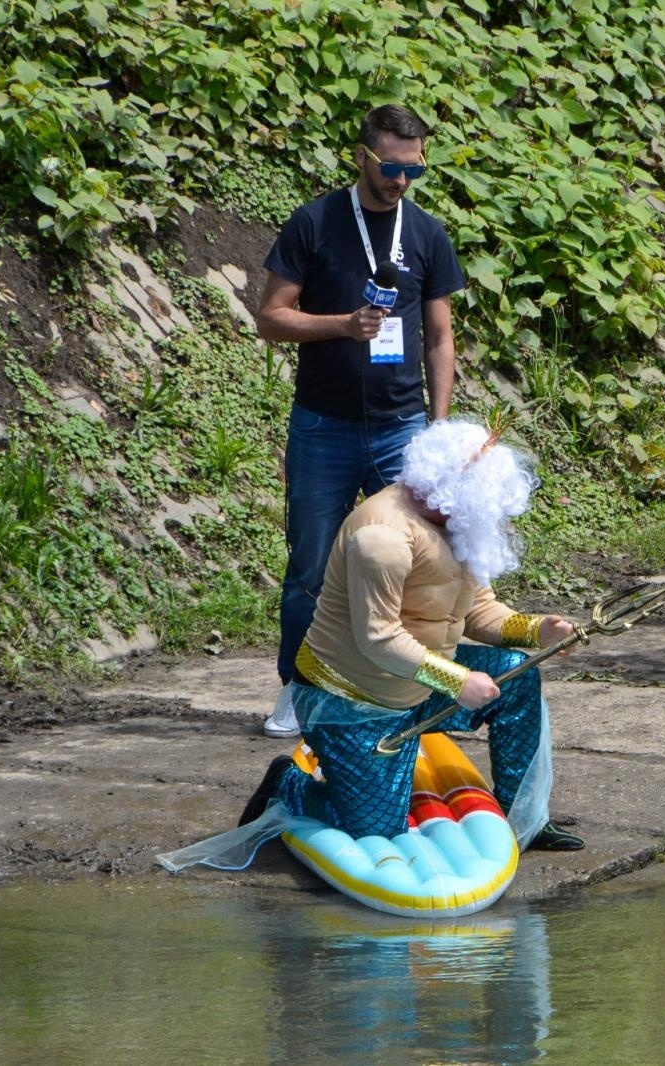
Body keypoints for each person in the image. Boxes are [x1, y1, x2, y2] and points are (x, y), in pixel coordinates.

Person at [240, 419, 586, 852]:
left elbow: (477, 610)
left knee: (516, 676)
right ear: (453, 493)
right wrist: (457, 681)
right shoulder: (381, 538)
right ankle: (287, 783)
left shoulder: (454, 521)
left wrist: (537, 630)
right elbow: (379, 639)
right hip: (352, 696)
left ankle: (523, 817)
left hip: (420, 681)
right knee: (376, 829)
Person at [256, 103, 467, 738]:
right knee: (312, 563)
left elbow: (439, 338)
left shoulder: (426, 233)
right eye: (391, 169)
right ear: (362, 156)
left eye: (414, 171)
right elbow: (270, 317)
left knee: (419, 558)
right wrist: (343, 327)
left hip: (402, 425)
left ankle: (417, 689)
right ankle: (299, 688)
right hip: (323, 424)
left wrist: (436, 429)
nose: (401, 181)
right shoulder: (315, 222)